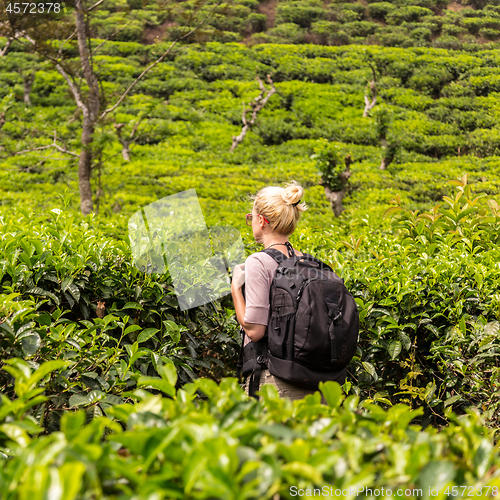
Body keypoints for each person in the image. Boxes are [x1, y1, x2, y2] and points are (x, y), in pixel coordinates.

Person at [231, 180, 329, 403]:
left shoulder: (258, 261)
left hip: (276, 385)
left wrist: (236, 288)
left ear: (261, 221)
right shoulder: (306, 261)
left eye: (251, 218)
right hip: (317, 384)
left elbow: (255, 330)